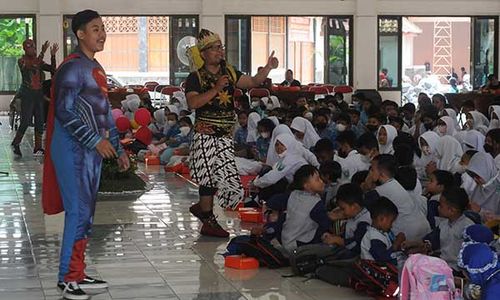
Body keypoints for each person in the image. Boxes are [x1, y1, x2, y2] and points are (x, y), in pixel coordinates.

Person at [42, 10, 130, 300]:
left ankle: (76, 272)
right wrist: (94, 140)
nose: (101, 33)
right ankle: (67, 277)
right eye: (95, 29)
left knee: (86, 213)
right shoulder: (71, 68)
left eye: (103, 28)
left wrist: (118, 148)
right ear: (80, 34)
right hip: (71, 149)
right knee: (78, 212)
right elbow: (65, 111)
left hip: (90, 151)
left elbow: (103, 112)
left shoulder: (95, 67)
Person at [185, 29, 278, 237]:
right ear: (204, 53)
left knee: (225, 178)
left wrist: (268, 68)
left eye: (221, 48)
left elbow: (254, 82)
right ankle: (208, 219)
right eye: (216, 48)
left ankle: (203, 209)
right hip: (205, 133)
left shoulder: (230, 71)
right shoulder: (195, 77)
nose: (220, 52)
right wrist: (217, 88)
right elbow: (193, 103)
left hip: (226, 133)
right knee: (208, 177)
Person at [361, 154, 430, 241]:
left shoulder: (381, 190)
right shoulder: (394, 183)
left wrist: (367, 182)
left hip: (407, 233)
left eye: (372, 170)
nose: (370, 172)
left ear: (381, 174)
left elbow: (361, 204)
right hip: (422, 226)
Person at [403, 187, 474, 271]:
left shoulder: (468, 228)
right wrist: (413, 244)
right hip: (442, 263)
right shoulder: (444, 224)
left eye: (441, 205)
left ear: (452, 210)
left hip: (456, 269)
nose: (438, 207)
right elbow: (432, 240)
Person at [11, 39, 58, 157]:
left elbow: (53, 69)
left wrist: (53, 56)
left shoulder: (39, 61)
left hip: (38, 94)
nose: (32, 49)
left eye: (33, 46)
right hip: (27, 94)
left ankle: (38, 147)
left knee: (40, 120)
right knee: (26, 120)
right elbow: (33, 66)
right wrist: (42, 52)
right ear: (24, 49)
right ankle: (16, 143)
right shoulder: (22, 61)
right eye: (29, 47)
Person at [281, 165, 329, 253]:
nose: (322, 182)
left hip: (286, 239)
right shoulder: (314, 202)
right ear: (306, 186)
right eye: (317, 180)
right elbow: (325, 223)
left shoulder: (294, 194)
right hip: (299, 244)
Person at [322, 183, 371, 258]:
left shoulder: (364, 221)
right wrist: (333, 237)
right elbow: (347, 235)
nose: (341, 212)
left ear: (354, 206)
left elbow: (356, 244)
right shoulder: (354, 215)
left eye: (343, 209)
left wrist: (338, 240)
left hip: (356, 257)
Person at [360, 196, 405, 263]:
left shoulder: (382, 231)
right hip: (377, 269)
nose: (392, 225)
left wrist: (398, 240)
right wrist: (396, 244)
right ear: (381, 219)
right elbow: (382, 258)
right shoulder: (373, 237)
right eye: (391, 221)